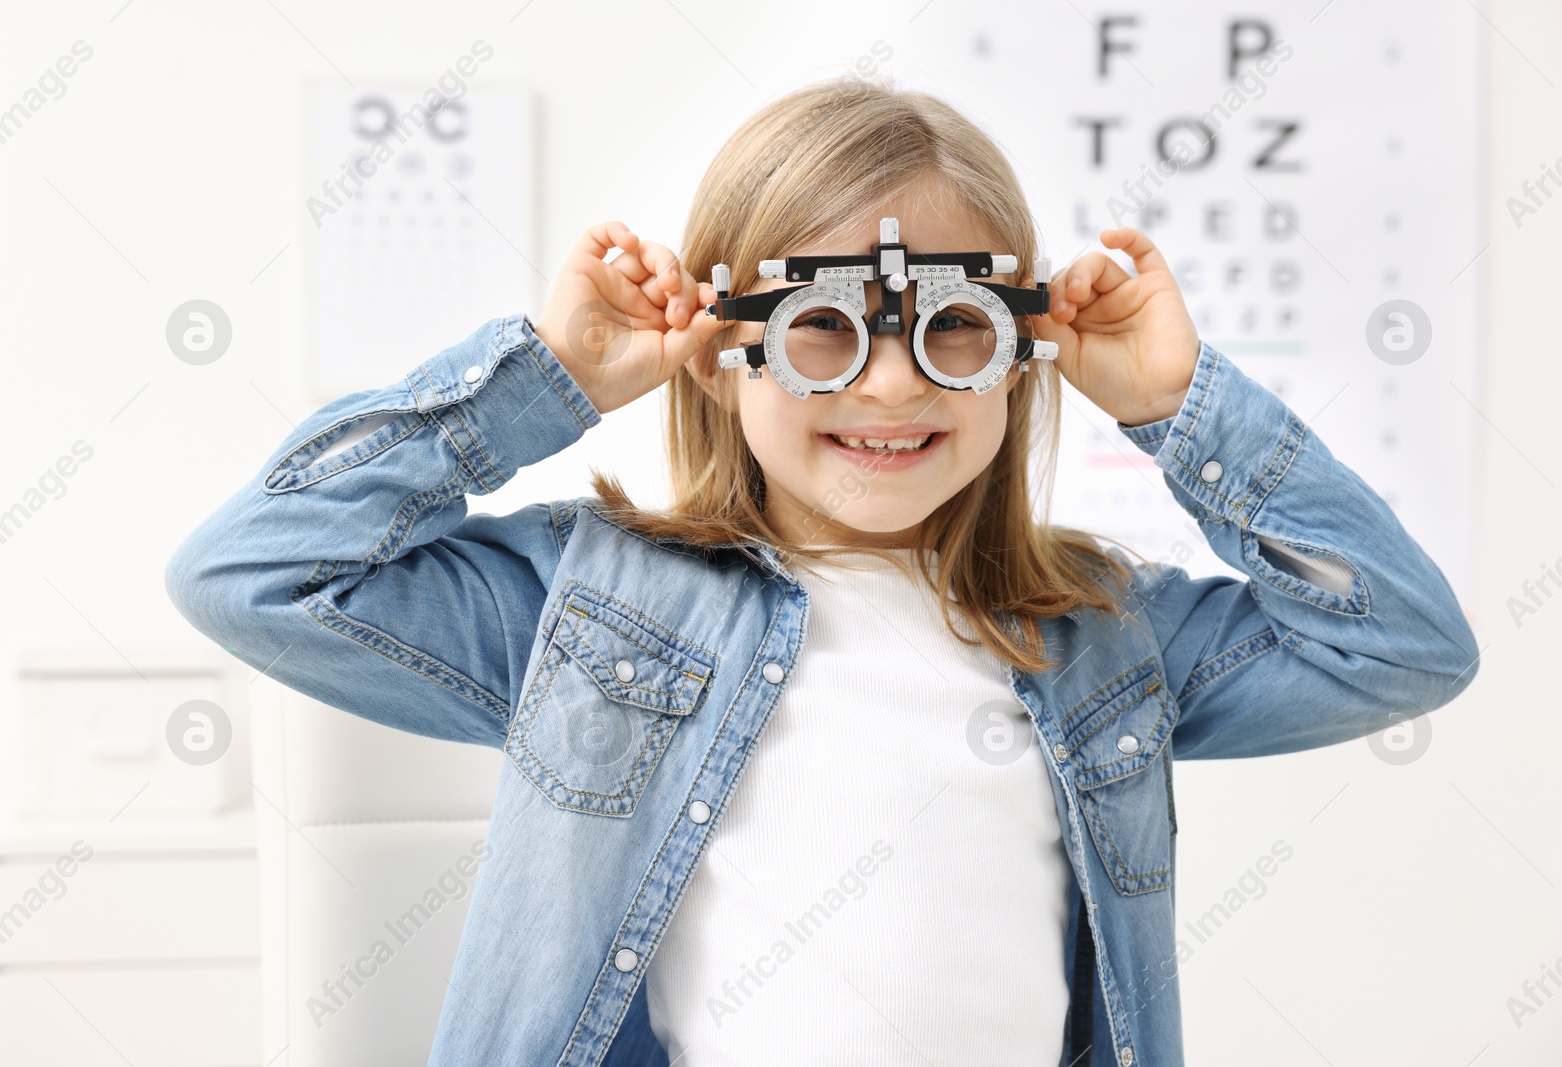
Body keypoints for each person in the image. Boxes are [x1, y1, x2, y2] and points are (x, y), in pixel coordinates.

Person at [165, 80, 1480, 1067]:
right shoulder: (589, 606)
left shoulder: (1095, 632)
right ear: (723, 354)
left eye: (955, 330)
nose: (893, 380)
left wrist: (1178, 405)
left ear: (1021, 359)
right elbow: (254, 571)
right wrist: (542, 385)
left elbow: (1403, 645)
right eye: (820, 332)